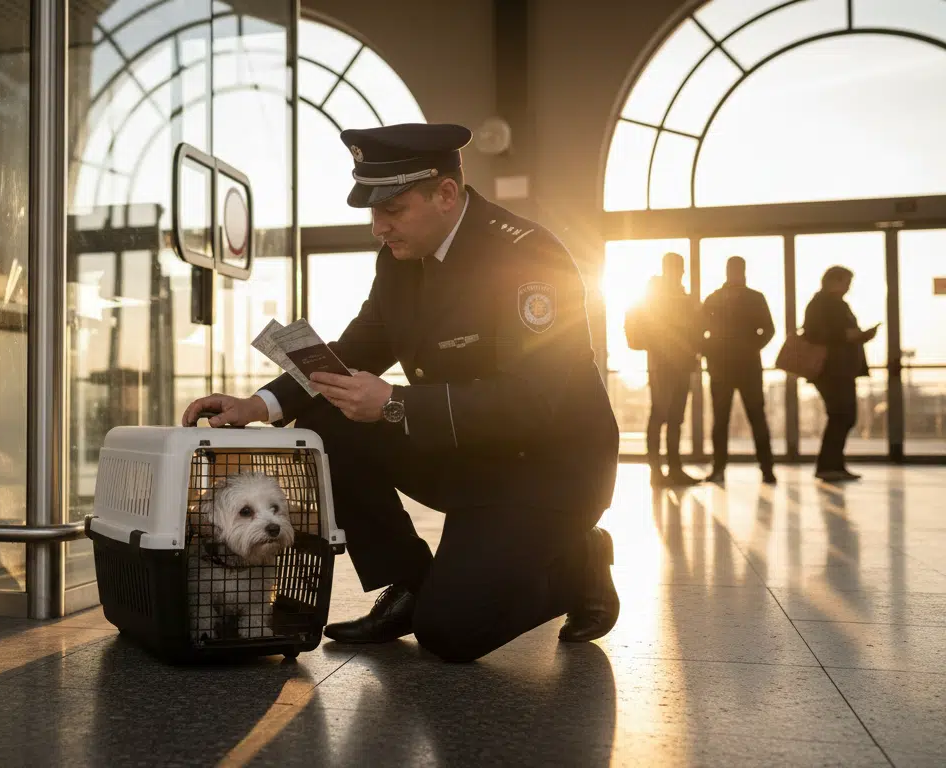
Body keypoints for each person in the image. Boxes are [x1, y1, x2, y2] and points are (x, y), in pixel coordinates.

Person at [181, 123, 621, 663]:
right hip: (468, 450)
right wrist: (259, 404)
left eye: (392, 209)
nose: (378, 227)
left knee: (451, 632)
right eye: (373, 212)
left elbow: (533, 400)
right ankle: (410, 582)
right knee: (327, 423)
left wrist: (393, 403)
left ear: (445, 194)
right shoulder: (400, 259)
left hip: (546, 471)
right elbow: (357, 349)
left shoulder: (529, 257)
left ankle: (580, 565)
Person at [701, 256, 777, 485]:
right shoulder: (748, 298)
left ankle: (759, 469)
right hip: (738, 367)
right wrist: (750, 347)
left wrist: (714, 352)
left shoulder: (717, 299)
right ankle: (761, 469)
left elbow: (769, 330)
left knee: (742, 418)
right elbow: (768, 330)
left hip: (734, 367)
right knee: (742, 419)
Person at [630, 253, 701, 488]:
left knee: (672, 418)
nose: (679, 273)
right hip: (664, 366)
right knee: (662, 416)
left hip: (675, 366)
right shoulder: (659, 298)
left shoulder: (676, 298)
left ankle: (669, 469)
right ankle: (660, 471)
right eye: (677, 268)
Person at [802, 266, 876, 482]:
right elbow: (816, 334)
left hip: (841, 369)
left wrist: (856, 336)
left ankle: (833, 465)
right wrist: (849, 335)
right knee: (841, 415)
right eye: (846, 282)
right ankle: (828, 466)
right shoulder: (821, 304)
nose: (848, 288)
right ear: (833, 281)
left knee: (843, 416)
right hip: (832, 370)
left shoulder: (835, 304)